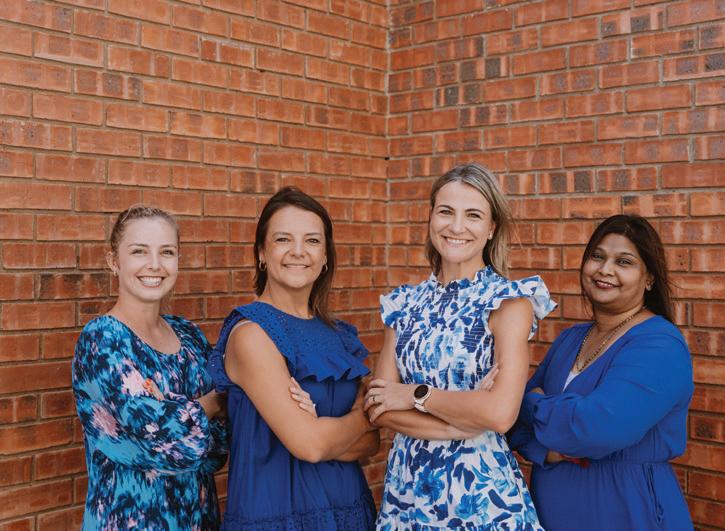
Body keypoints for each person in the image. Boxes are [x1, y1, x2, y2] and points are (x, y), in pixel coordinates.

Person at [365, 163, 556, 530]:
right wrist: (460, 426)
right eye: (446, 211)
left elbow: (500, 414)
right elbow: (378, 407)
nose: (456, 226)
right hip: (408, 495)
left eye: (473, 215)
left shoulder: (507, 302)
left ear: (491, 227)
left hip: (480, 496)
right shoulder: (404, 304)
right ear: (431, 216)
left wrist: (414, 394)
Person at [509, 214, 694, 531]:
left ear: (649, 278)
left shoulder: (659, 345)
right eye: (597, 256)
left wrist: (533, 404)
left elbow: (597, 429)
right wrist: (544, 450)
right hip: (553, 512)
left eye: (624, 262)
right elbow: (510, 421)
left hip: (626, 509)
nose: (605, 269)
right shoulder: (570, 339)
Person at [207, 187, 378, 530]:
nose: (298, 251)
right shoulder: (252, 333)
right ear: (261, 253)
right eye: (283, 239)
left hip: (348, 509)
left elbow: (370, 445)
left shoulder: (337, 335)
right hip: (277, 516)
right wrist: (365, 416)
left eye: (312, 241)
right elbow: (310, 445)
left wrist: (324, 431)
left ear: (326, 255)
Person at [72, 206, 227, 530]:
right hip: (130, 521)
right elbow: (162, 440)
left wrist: (176, 411)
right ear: (114, 261)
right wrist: (213, 402)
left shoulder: (189, 335)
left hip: (199, 519)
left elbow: (219, 446)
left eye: (166, 252)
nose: (155, 264)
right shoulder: (102, 340)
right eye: (139, 251)